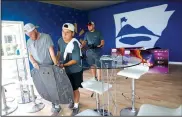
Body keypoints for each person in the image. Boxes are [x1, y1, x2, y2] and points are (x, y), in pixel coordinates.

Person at [24, 23, 60, 114]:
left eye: (31, 34)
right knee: (45, 87)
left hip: (49, 66)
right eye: (28, 35)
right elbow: (30, 56)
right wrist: (34, 62)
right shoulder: (29, 42)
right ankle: (53, 102)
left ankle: (57, 105)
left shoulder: (46, 37)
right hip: (39, 68)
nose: (30, 36)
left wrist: (56, 65)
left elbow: (52, 53)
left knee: (53, 86)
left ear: (35, 30)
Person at [57, 23, 83, 115]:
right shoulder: (60, 41)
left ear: (72, 34)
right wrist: (56, 61)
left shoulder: (75, 43)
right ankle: (73, 100)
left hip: (75, 70)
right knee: (69, 87)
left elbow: (75, 60)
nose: (64, 35)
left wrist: (63, 65)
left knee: (75, 88)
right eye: (63, 32)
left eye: (67, 32)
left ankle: (76, 105)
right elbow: (59, 52)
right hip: (65, 69)